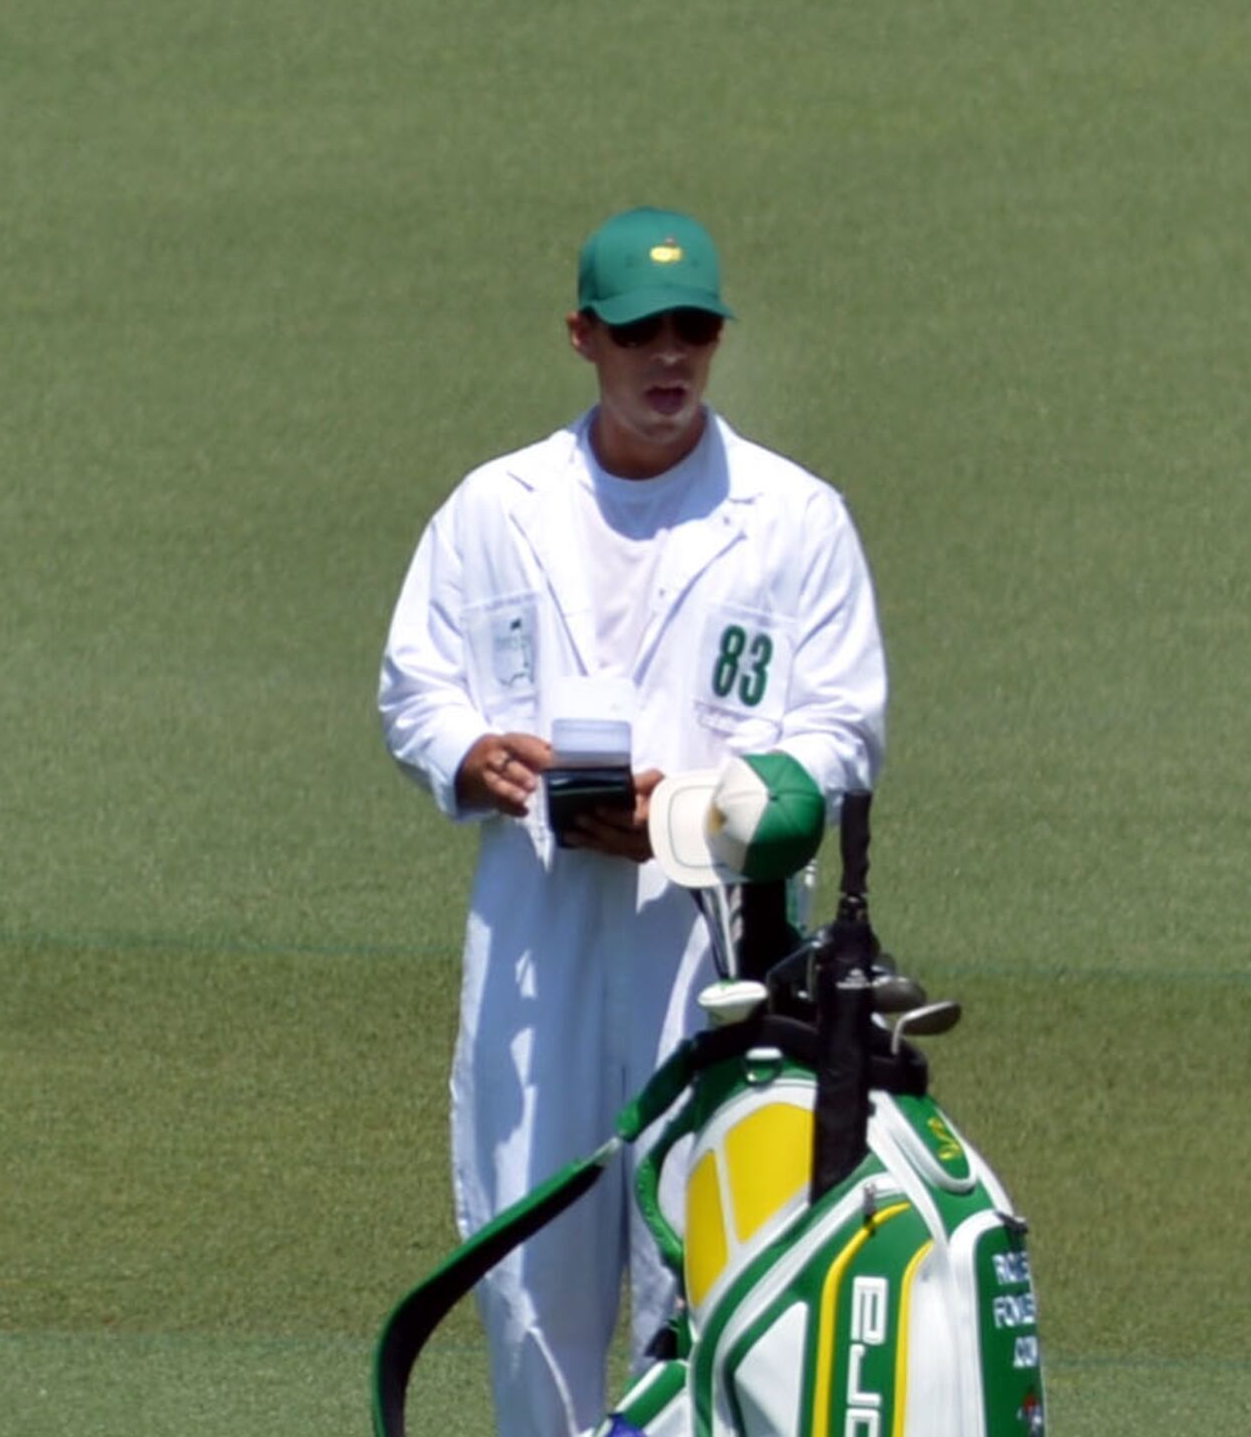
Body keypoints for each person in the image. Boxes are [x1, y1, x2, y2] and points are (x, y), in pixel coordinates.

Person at [379, 208, 888, 1437]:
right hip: (538, 948)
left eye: (695, 331)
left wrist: (696, 814)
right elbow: (416, 683)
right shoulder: (494, 508)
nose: (670, 358)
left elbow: (844, 733)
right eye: (639, 333)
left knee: (704, 1286)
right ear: (581, 337)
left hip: (713, 960)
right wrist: (470, 756)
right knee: (528, 1289)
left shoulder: (795, 517)